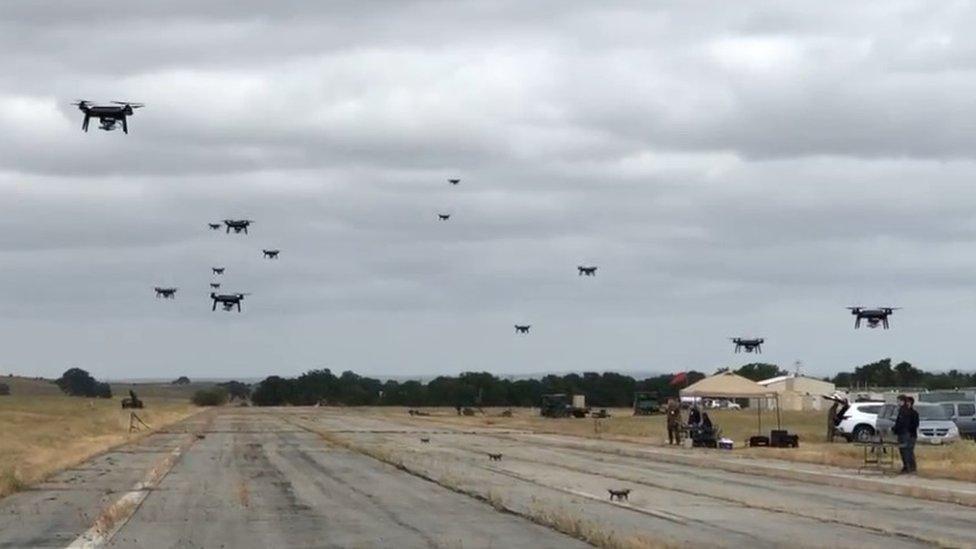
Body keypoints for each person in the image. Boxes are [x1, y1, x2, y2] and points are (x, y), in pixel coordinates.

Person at [892, 395, 920, 474]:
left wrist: (900, 430)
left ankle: (910, 467)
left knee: (907, 451)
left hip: (908, 434)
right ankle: (907, 467)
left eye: (899, 401)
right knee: (904, 451)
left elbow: (907, 424)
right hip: (904, 434)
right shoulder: (902, 411)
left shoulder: (909, 412)